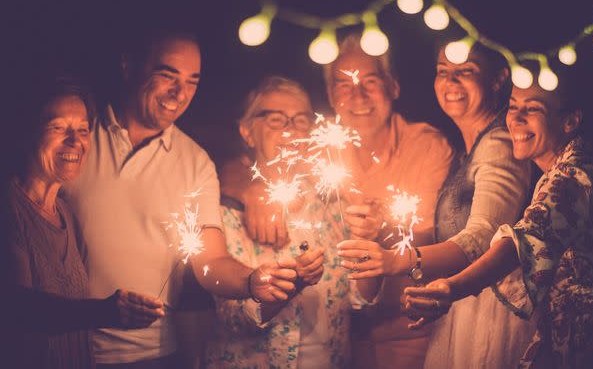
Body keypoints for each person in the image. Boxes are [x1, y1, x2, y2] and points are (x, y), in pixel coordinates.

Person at [61, 29, 298, 368]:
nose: (179, 92)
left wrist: (250, 280)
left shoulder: (195, 162)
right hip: (65, 347)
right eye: (167, 75)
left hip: (152, 355)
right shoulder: (78, 136)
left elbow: (210, 261)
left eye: (192, 81)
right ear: (129, 66)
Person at [404, 69, 593, 367]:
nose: (517, 119)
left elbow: (523, 243)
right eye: (513, 106)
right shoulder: (560, 168)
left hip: (591, 345)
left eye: (533, 108)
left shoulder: (573, 175)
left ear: (570, 120)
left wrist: (451, 288)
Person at [338, 42, 535, 368]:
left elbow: (482, 236)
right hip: (463, 308)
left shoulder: (499, 145)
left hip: (491, 313)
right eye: (443, 72)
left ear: (498, 78)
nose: (451, 82)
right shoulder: (472, 147)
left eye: (466, 71)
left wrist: (397, 260)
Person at [204, 76, 381, 368]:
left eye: (301, 121)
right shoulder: (228, 215)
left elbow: (360, 300)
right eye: (276, 120)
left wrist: (369, 242)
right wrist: (294, 282)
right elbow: (235, 319)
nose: (291, 130)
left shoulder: (333, 207)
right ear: (247, 132)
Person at [0, 77, 165, 369]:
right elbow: (18, 308)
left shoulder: (67, 216)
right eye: (58, 127)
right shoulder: (10, 209)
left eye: (83, 130)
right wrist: (104, 312)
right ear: (28, 132)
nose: (75, 141)